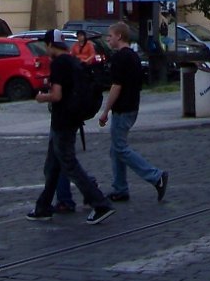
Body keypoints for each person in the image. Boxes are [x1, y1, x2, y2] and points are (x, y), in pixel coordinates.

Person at [27, 32, 115, 224]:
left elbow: (57, 95)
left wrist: (43, 97)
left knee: (68, 164)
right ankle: (43, 207)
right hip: (72, 118)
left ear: (51, 44)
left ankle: (100, 203)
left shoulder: (59, 64)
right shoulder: (73, 61)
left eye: (46, 45)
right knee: (52, 165)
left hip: (63, 120)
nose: (46, 49)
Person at [97, 21, 168, 203]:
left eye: (110, 36)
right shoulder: (134, 56)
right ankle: (120, 188)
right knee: (116, 149)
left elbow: (116, 86)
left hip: (123, 108)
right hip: (132, 106)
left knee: (120, 148)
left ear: (119, 36)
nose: (108, 39)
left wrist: (105, 111)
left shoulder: (120, 58)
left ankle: (155, 176)